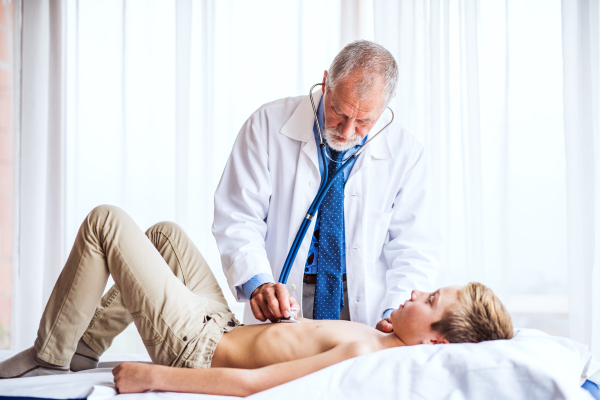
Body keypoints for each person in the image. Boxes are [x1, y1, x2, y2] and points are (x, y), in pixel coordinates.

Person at [0, 206, 513, 397]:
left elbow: (252, 385)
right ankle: (84, 348)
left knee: (106, 223)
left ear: (435, 339)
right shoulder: (382, 337)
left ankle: (51, 355)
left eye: (429, 297)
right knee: (165, 234)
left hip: (194, 347)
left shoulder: (367, 356)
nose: (416, 291)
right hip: (218, 323)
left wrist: (150, 376)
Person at [212, 40, 440, 330]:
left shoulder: (406, 154)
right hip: (283, 295)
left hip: (366, 306)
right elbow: (238, 216)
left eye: (363, 121)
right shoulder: (266, 126)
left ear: (384, 108)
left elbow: (414, 247)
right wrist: (259, 283)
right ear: (325, 83)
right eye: (339, 111)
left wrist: (395, 312)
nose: (346, 131)